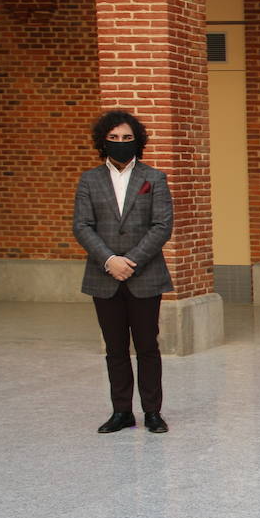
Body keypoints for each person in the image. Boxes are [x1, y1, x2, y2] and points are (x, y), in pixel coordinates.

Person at [72, 111, 174, 434]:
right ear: (104, 141)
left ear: (137, 141)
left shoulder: (154, 178)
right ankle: (121, 412)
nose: (120, 144)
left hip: (145, 276)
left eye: (127, 139)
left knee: (147, 346)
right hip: (104, 277)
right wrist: (109, 260)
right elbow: (82, 226)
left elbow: (162, 226)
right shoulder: (89, 180)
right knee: (115, 349)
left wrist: (129, 261)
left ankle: (152, 412)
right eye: (114, 138)